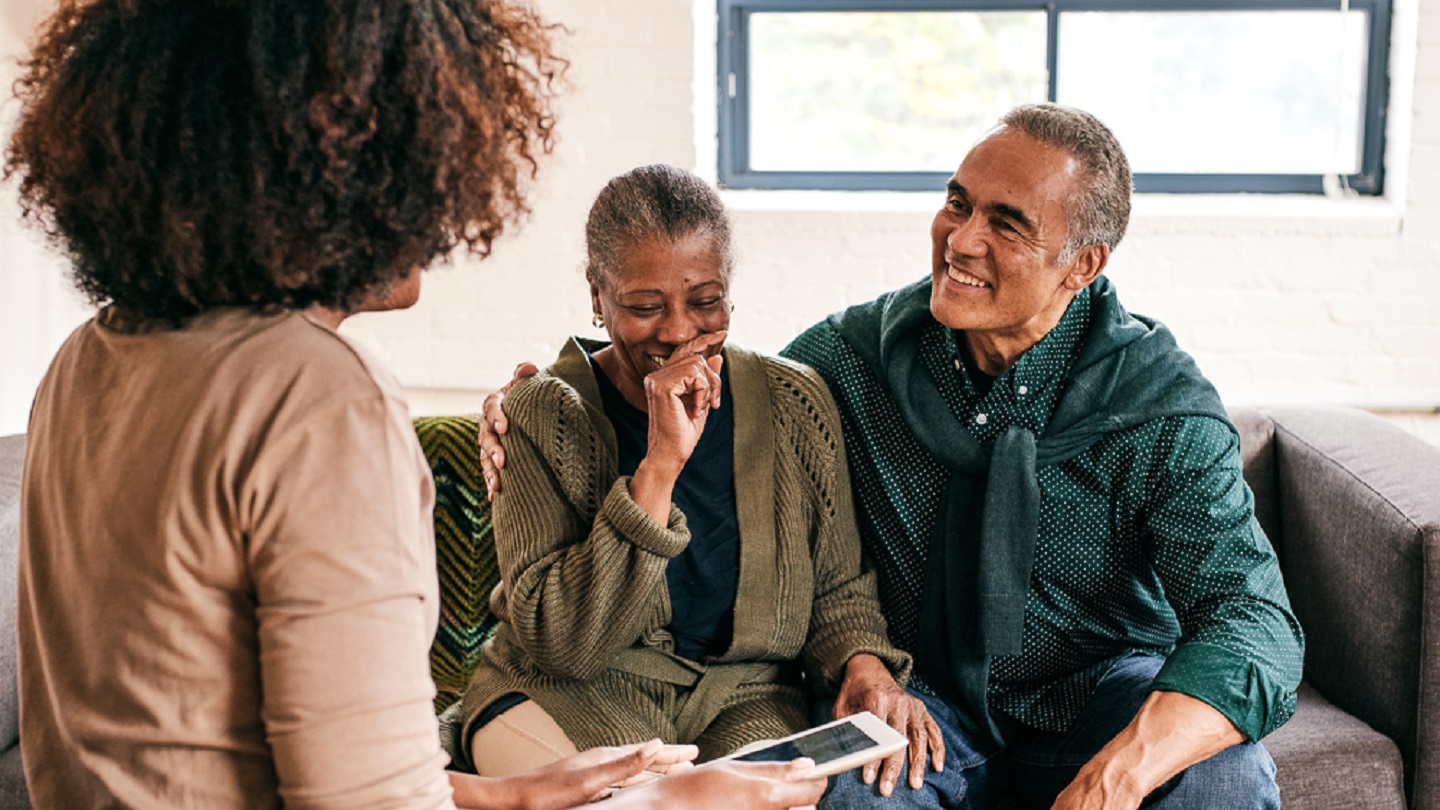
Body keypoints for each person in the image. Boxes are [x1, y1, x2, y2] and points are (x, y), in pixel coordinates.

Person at [5, 1, 825, 808]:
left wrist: (508, 797)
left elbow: (201, 735)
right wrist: (672, 804)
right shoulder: (316, 395)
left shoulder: (86, 357)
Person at [478, 104, 1305, 809]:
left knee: (1221, 779)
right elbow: (717, 382)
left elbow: (1255, 624)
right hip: (924, 705)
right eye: (958, 203)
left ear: (1081, 266)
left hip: (1097, 699)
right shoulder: (860, 356)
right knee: (834, 791)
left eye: (1006, 224)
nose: (961, 239)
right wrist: (555, 392)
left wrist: (1120, 775)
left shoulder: (1158, 408)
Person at [454, 164, 942, 795]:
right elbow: (562, 645)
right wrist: (660, 465)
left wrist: (867, 666)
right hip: (567, 694)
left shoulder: (795, 401)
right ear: (597, 295)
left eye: (705, 300)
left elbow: (839, 591)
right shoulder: (540, 413)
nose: (679, 330)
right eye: (644, 307)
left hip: (741, 699)